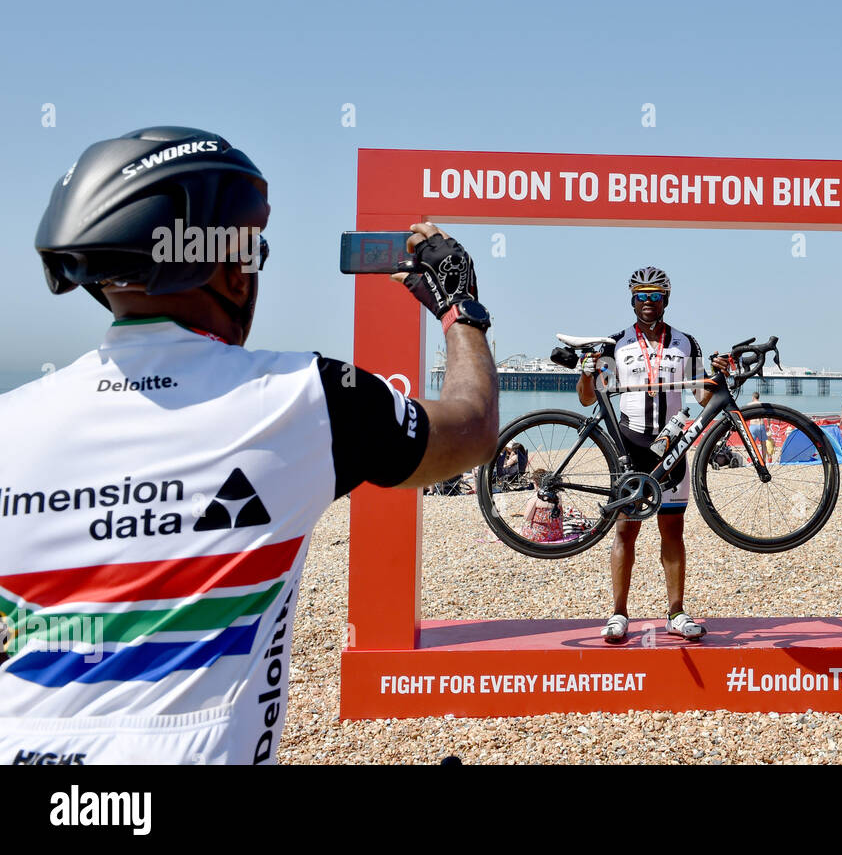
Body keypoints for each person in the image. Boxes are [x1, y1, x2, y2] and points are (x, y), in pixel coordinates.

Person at [0, 127, 498, 765]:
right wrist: (462, 310)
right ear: (233, 272)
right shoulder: (305, 398)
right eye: (253, 252)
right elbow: (472, 427)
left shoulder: (13, 421)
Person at [576, 267, 712, 643]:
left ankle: (676, 612)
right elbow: (588, 397)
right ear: (632, 300)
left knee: (673, 530)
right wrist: (587, 372)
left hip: (672, 444)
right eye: (641, 295)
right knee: (625, 531)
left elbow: (702, 395)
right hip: (629, 444)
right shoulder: (615, 343)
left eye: (655, 295)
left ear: (666, 299)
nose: (648, 302)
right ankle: (618, 614)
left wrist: (720, 381)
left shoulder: (686, 342)